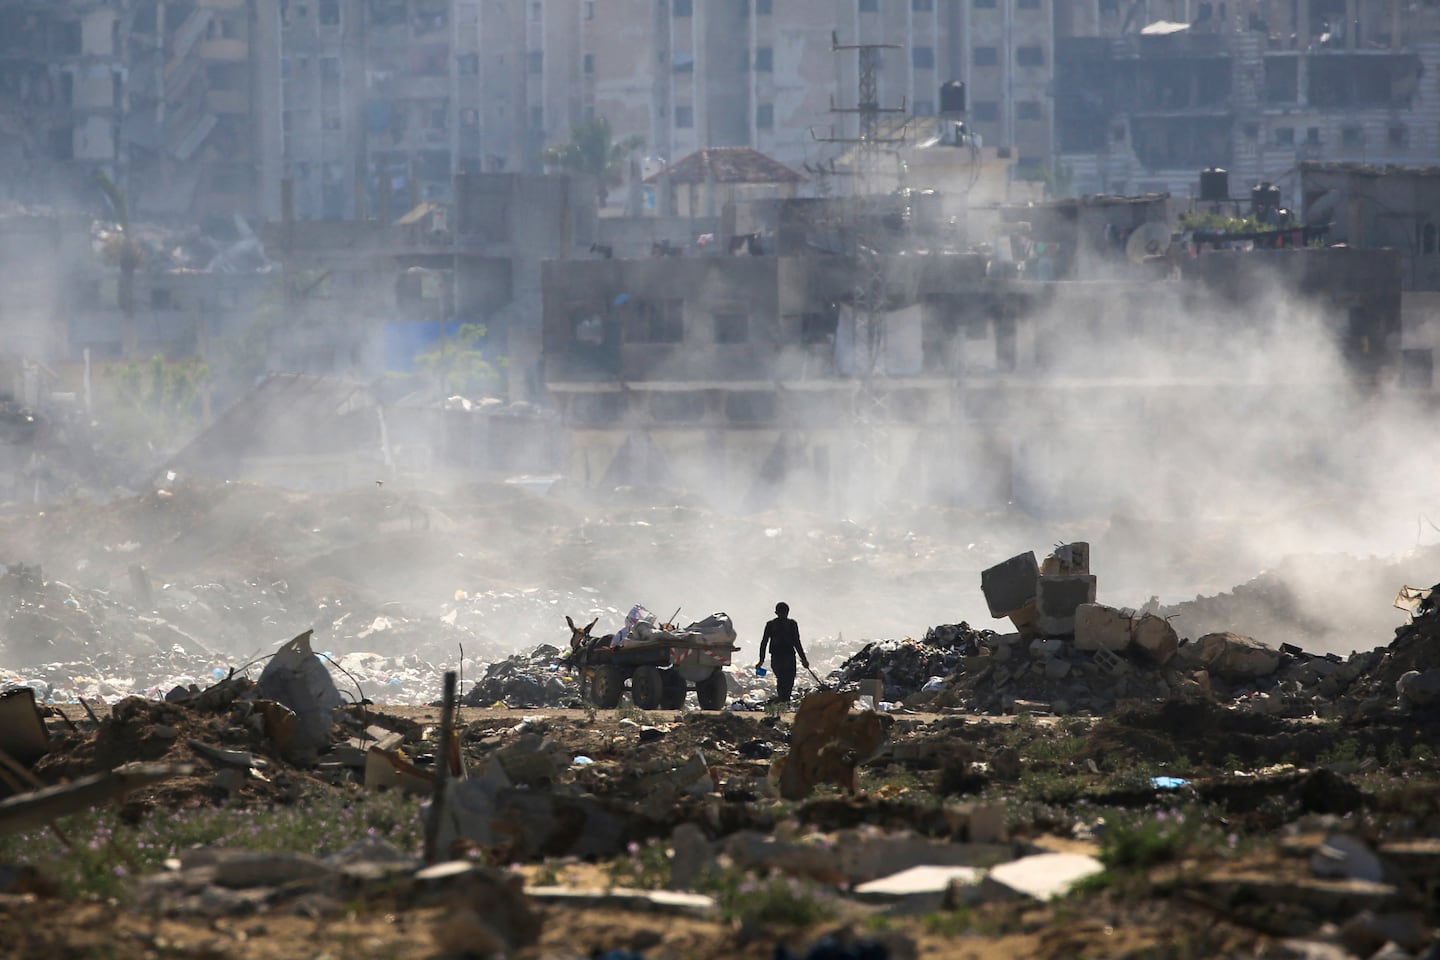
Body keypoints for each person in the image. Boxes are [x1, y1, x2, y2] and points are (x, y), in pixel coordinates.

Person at [755, 601, 809, 703]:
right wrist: (804, 659)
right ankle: (785, 701)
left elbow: (764, 643)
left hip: (777, 658)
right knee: (788, 681)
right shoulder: (792, 624)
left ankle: (783, 701)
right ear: (788, 612)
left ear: (776, 612)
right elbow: (797, 643)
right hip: (788, 657)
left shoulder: (770, 624)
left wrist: (761, 660)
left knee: (781, 680)